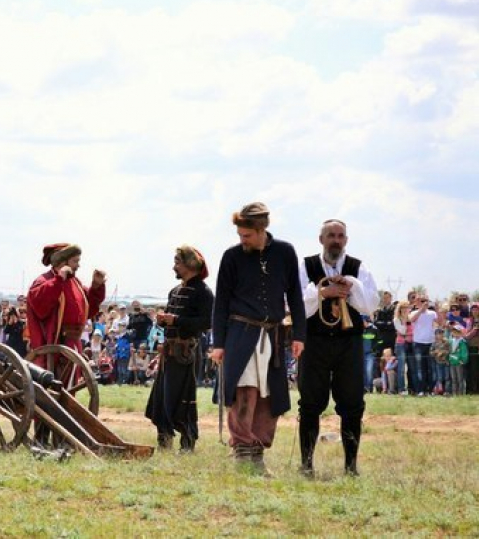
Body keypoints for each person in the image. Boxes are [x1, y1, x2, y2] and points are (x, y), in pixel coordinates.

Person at [211, 202, 306, 474]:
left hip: (273, 334)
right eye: (240, 235)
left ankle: (257, 451)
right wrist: (219, 343)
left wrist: (299, 335)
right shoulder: (231, 257)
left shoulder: (285, 253)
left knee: (270, 394)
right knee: (244, 390)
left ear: (261, 228)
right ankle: (242, 449)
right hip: (240, 333)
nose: (243, 240)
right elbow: (222, 302)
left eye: (247, 235)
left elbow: (295, 297)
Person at [298, 219, 379, 477]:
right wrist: (323, 292)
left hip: (349, 343)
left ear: (346, 240)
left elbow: (370, 306)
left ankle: (351, 466)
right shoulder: (306, 265)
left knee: (353, 404)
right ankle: (306, 464)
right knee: (310, 404)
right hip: (315, 342)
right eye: (331, 235)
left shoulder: (358, 267)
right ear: (321, 239)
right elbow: (296, 305)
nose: (336, 239)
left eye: (340, 235)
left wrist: (350, 286)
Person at [144, 245, 214, 451]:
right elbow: (172, 321)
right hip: (169, 353)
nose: (174, 267)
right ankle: (164, 439)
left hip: (187, 354)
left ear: (189, 264)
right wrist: (165, 321)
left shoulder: (203, 291)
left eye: (177, 262)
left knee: (183, 398)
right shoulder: (174, 291)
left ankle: (187, 443)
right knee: (161, 397)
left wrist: (176, 319)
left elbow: (206, 322)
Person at [26, 243, 106, 361]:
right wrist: (58, 280)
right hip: (54, 345)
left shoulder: (75, 282)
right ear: (63, 262)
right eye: (75, 261)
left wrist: (97, 285)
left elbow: (88, 309)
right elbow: (40, 306)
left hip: (73, 345)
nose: (78, 265)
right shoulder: (44, 280)